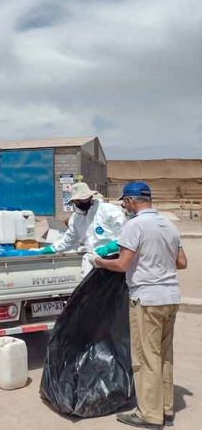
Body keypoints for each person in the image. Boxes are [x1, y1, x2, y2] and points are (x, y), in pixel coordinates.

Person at [89, 181, 187, 429]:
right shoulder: (169, 225)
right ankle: (165, 407)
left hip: (147, 300)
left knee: (145, 357)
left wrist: (99, 262)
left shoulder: (135, 226)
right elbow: (182, 262)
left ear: (132, 201)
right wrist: (158, 261)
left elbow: (122, 265)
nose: (124, 206)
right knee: (164, 355)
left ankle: (149, 414)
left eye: (125, 202)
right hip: (171, 298)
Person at [36, 182, 126, 277]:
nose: (81, 203)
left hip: (114, 259)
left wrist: (108, 248)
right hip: (93, 260)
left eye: (83, 199)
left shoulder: (108, 210)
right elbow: (67, 241)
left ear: (90, 197)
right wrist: (47, 250)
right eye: (77, 201)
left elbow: (126, 235)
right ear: (73, 202)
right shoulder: (76, 219)